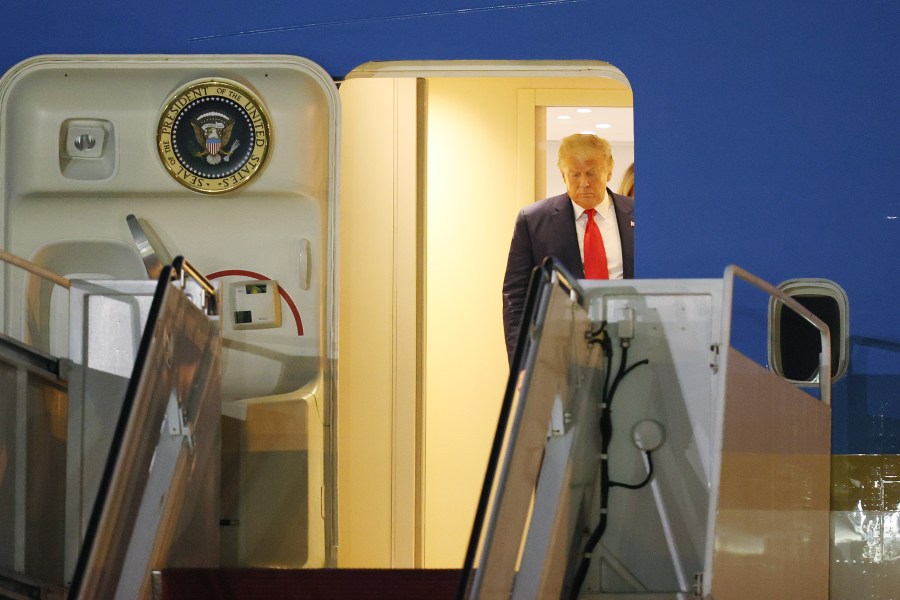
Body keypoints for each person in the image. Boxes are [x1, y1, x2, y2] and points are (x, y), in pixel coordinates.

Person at [502, 134, 634, 361]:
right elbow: (516, 296)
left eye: (592, 173)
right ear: (562, 174)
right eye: (574, 174)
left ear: (609, 171)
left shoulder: (639, 214)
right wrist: (522, 365)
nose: (584, 182)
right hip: (562, 354)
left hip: (630, 345)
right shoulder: (533, 221)